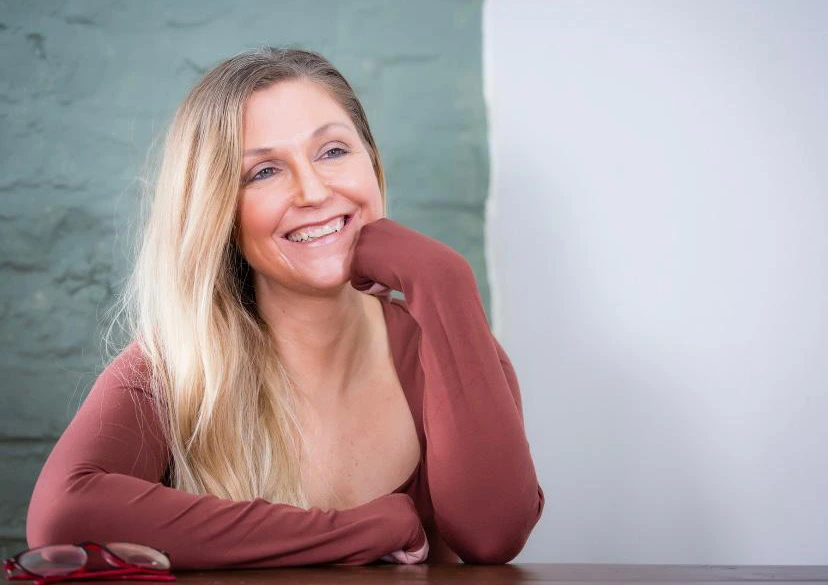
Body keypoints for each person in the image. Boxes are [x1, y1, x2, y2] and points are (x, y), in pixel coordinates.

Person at [25, 47, 544, 568]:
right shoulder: (177, 364)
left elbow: (492, 536)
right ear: (218, 211)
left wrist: (444, 282)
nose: (314, 191)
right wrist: (362, 531)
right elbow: (62, 517)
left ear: (373, 162)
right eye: (265, 171)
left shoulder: (452, 346)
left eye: (333, 151)